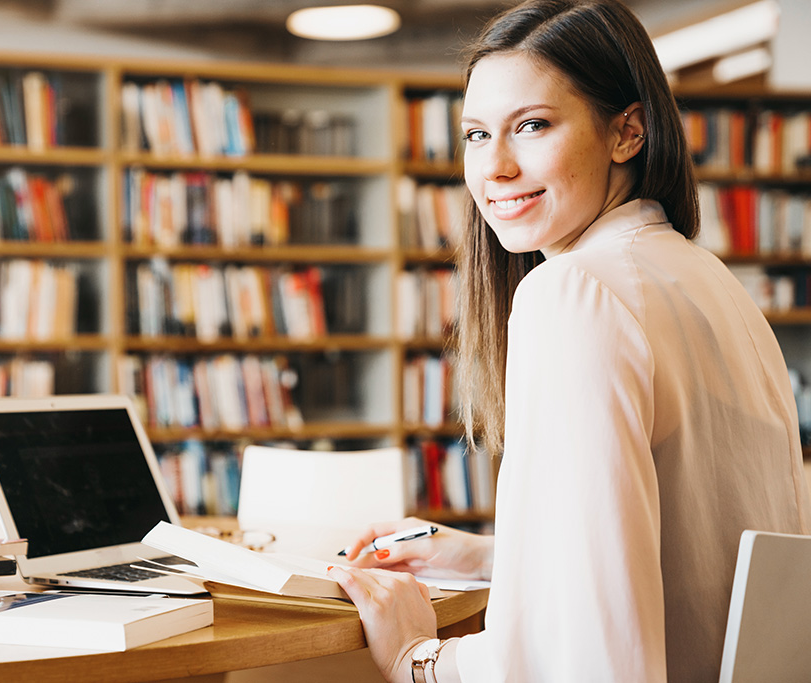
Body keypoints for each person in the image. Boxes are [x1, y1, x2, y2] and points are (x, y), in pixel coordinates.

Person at [327, 0, 811, 681]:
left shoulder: (573, 293)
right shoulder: (712, 281)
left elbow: (584, 650)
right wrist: (494, 554)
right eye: (474, 135)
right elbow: (677, 558)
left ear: (627, 133)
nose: (492, 168)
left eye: (531, 125)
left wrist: (418, 656)